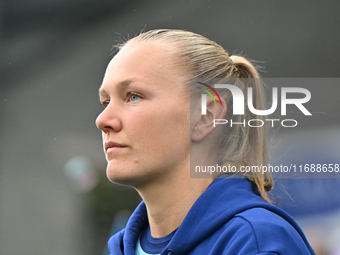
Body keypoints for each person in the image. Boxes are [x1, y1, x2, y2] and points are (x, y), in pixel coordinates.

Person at [95, 29, 316, 255]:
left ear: (205, 116)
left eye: (133, 96)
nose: (102, 120)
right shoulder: (121, 248)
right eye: (105, 102)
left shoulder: (257, 242)